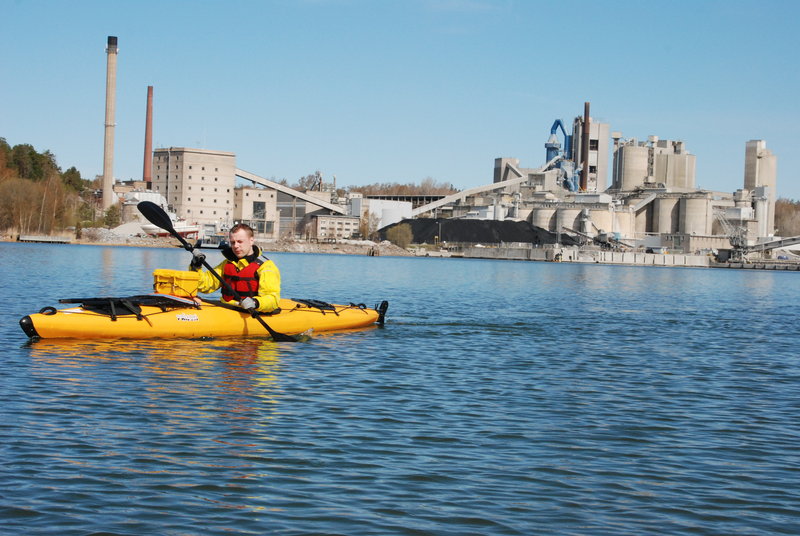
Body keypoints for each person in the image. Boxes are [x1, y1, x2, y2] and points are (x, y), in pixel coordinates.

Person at [189, 223, 280, 313]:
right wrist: (195, 267)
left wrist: (255, 302)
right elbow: (205, 285)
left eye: (240, 241)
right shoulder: (227, 264)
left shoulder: (266, 267)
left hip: (250, 311)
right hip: (226, 308)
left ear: (251, 241)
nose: (235, 246)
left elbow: (273, 298)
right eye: (233, 242)